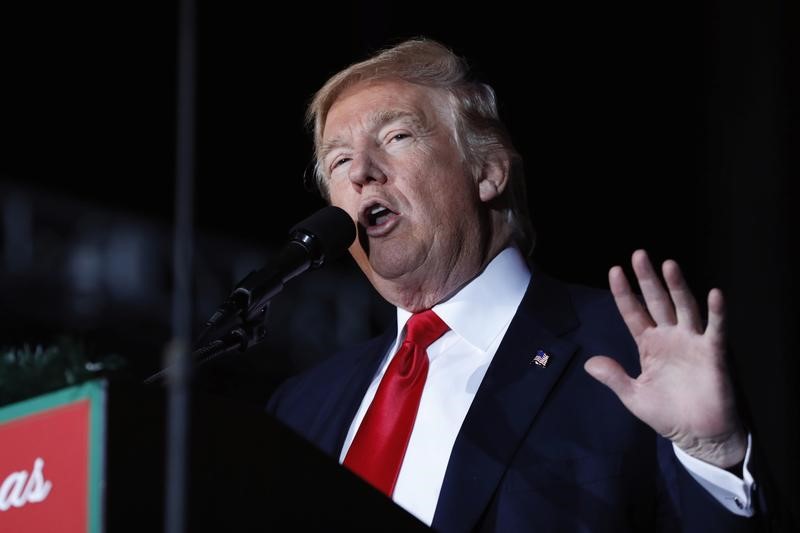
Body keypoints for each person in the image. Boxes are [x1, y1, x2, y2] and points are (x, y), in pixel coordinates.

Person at [267, 37, 762, 531]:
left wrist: (713, 457)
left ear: (488, 171)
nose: (360, 173)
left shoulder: (627, 352)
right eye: (337, 161)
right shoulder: (300, 406)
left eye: (396, 137)